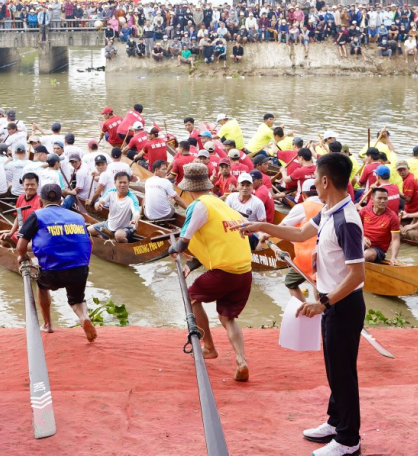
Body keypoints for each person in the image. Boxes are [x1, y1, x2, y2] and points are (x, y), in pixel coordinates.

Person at [238, 153, 365, 456]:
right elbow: (298, 233)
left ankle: (349, 441)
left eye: (316, 181)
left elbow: (358, 273)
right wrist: (260, 226)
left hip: (343, 304)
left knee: (343, 373)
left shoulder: (346, 220)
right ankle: (336, 423)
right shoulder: (328, 210)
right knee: (334, 368)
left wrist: (325, 303)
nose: (314, 187)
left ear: (324, 181)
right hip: (332, 300)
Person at [168, 162, 251, 382]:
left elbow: (183, 242)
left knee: (192, 298)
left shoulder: (198, 205)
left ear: (187, 188)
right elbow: (216, 239)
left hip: (225, 271)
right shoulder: (222, 203)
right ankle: (241, 360)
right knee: (227, 317)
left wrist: (172, 249)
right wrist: (192, 263)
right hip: (245, 270)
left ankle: (209, 347)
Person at [16, 184, 97, 341]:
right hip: (80, 268)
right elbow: (91, 244)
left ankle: (48, 324)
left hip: (53, 271)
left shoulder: (37, 215)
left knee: (41, 285)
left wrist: (23, 257)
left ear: (40, 201)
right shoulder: (78, 217)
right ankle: (83, 317)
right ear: (61, 200)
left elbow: (20, 246)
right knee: (77, 299)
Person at [89, 172, 140, 243]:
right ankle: (103, 238)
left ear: (129, 183)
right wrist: (97, 205)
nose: (122, 185)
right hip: (108, 225)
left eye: (125, 182)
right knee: (88, 231)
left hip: (125, 228)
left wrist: (135, 219)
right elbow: (100, 202)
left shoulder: (132, 198)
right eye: (120, 182)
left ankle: (124, 244)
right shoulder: (111, 192)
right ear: (115, 183)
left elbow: (136, 213)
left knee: (118, 235)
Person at [359, 188, 400, 264]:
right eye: (379, 198)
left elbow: (395, 240)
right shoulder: (364, 211)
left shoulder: (392, 216)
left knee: (367, 255)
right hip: (361, 244)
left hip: (377, 250)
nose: (383, 201)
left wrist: (393, 257)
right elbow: (355, 230)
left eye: (385, 198)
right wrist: (362, 238)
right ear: (372, 199)